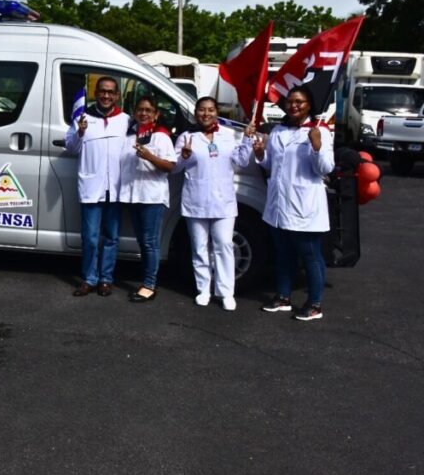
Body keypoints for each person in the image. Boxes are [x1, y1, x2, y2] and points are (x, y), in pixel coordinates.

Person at [254, 85, 335, 321]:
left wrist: (317, 146)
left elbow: (325, 169)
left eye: (299, 102)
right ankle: (283, 297)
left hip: (304, 205)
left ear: (309, 105)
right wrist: (260, 154)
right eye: (290, 101)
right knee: (283, 253)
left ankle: (315, 303)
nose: (294, 106)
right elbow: (271, 165)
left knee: (310, 255)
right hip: (278, 204)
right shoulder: (278, 131)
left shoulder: (319, 131)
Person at [174, 97, 255, 310]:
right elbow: (174, 168)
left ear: (216, 113)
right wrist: (183, 157)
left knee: (224, 245)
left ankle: (226, 292)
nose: (206, 114)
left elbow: (241, 161)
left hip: (223, 202)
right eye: (202, 110)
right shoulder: (187, 137)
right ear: (196, 113)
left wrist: (247, 139)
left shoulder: (227, 136)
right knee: (199, 247)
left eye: (211, 110)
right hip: (196, 201)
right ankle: (203, 289)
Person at [64, 76, 129, 297]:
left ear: (117, 95)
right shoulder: (83, 118)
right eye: (102, 91)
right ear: (96, 93)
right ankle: (89, 278)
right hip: (92, 187)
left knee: (111, 237)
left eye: (110, 92)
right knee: (90, 238)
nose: (106, 95)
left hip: (115, 188)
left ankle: (106, 279)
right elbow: (71, 147)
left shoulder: (125, 120)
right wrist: (80, 133)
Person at [119, 95, 177, 302]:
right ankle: (147, 280)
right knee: (142, 241)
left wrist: (149, 156)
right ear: (135, 113)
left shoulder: (160, 136)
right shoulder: (129, 135)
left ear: (156, 114)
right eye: (140, 110)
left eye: (148, 110)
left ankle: (149, 285)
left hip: (152, 196)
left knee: (150, 242)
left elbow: (170, 166)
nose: (144, 113)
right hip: (133, 195)